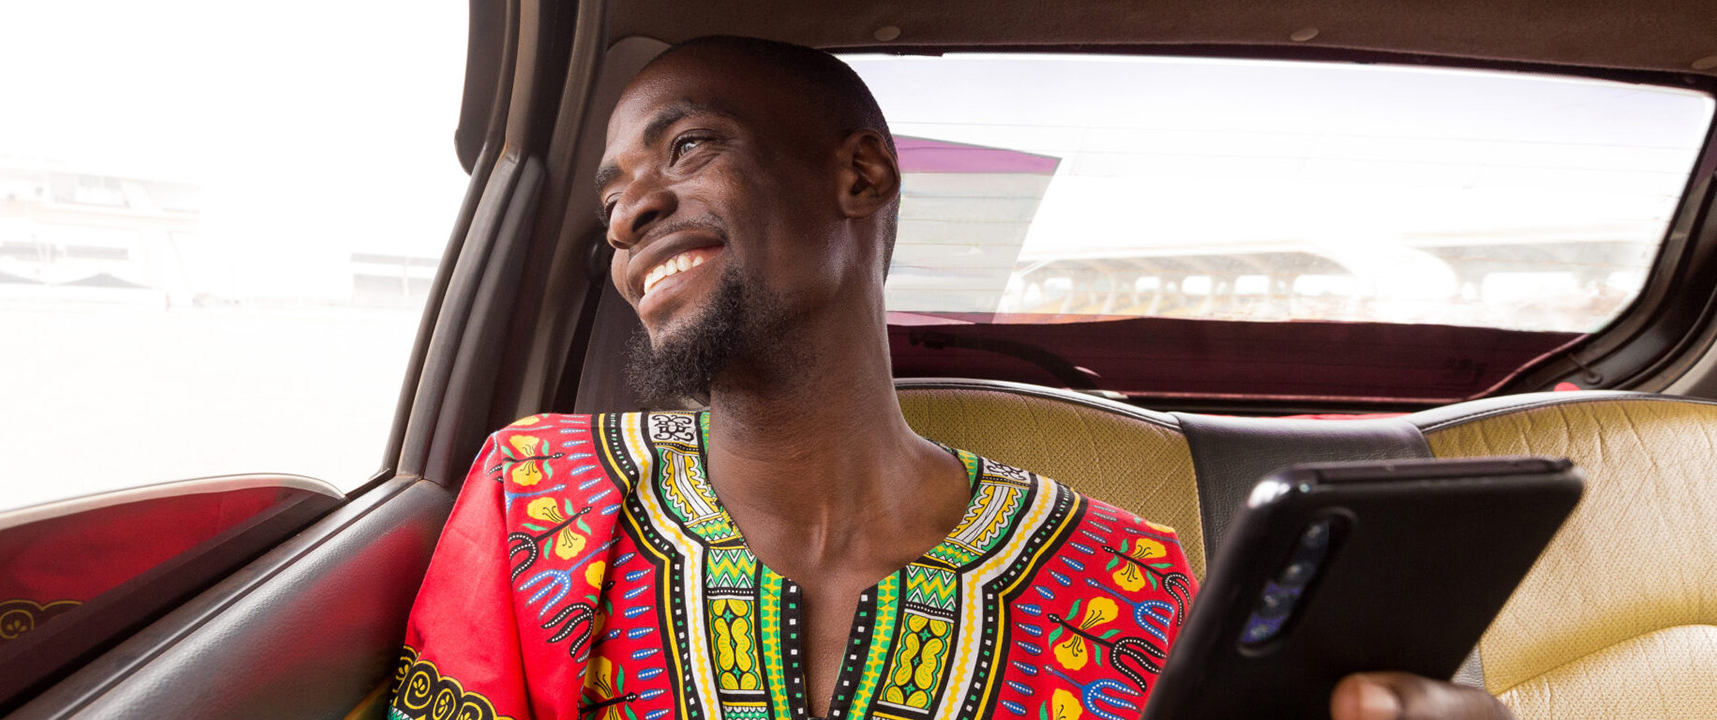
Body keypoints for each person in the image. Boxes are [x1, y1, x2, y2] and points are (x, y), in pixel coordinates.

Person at [392, 36, 1513, 720]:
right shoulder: (544, 490)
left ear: (860, 173)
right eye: (611, 199)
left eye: (687, 150)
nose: (631, 212)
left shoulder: (1122, 576)